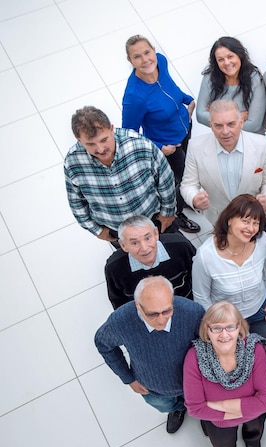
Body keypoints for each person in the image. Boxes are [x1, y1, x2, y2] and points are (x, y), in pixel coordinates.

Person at [94, 276, 204, 433]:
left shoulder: (193, 312)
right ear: (138, 306)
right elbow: (103, 343)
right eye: (152, 314)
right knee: (166, 405)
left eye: (167, 311)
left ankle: (199, 411)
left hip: (194, 382)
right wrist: (128, 378)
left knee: (199, 403)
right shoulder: (120, 321)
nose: (161, 320)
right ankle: (177, 410)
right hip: (152, 388)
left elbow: (208, 343)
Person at [183, 301, 266, 447]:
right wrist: (246, 406)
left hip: (242, 416)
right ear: (207, 330)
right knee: (222, 444)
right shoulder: (194, 357)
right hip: (219, 423)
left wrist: (222, 406)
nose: (224, 334)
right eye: (216, 328)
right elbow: (195, 409)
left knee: (254, 430)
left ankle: (252, 443)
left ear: (239, 327)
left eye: (230, 327)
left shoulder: (254, 349)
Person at [122, 34, 200, 233]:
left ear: (153, 50)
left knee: (189, 171)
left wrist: (187, 99)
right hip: (168, 146)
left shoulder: (161, 62)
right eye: (137, 56)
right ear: (130, 61)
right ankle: (176, 212)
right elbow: (129, 135)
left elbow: (170, 88)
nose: (145, 59)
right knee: (182, 178)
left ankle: (188, 196)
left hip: (185, 127)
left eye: (147, 52)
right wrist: (159, 147)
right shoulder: (134, 97)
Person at [64, 106, 176, 242]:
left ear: (111, 129)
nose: (100, 149)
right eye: (91, 144)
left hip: (155, 220)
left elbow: (165, 178)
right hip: (116, 232)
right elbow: (76, 201)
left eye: (104, 140)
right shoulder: (73, 162)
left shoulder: (139, 144)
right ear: (79, 140)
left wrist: (168, 212)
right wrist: (97, 230)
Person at [192, 195, 266, 342]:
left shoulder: (262, 241)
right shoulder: (205, 255)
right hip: (226, 321)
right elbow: (201, 296)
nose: (251, 228)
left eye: (255, 223)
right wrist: (218, 325)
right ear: (229, 220)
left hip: (259, 310)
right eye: (245, 221)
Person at [180, 100, 266, 228]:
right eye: (218, 126)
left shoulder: (262, 145)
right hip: (219, 220)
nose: (225, 132)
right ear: (211, 125)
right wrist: (194, 199)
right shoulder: (195, 146)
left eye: (231, 124)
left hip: (254, 219)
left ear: (241, 122)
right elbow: (188, 184)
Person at [105, 215, 196, 309]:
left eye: (148, 238)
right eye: (135, 243)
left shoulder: (181, 246)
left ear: (156, 234)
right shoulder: (114, 268)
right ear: (123, 245)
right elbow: (119, 303)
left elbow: (200, 277)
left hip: (186, 303)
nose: (144, 248)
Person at [196, 36, 266, 134]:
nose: (227, 63)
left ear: (239, 55)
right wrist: (235, 118)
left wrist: (216, 117)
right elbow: (200, 115)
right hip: (223, 140)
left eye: (230, 57)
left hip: (251, 139)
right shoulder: (210, 78)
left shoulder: (255, 79)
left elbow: (254, 125)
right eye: (220, 60)